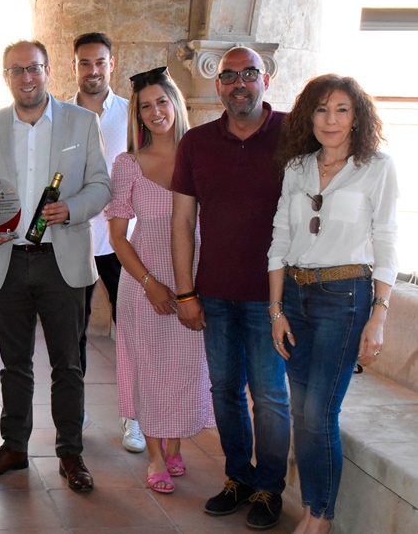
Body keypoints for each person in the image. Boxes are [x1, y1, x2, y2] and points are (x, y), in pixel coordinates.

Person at [0, 40, 112, 493]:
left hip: (61, 262)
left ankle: (70, 452)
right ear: (5, 76)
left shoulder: (82, 121)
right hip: (6, 260)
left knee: (68, 365)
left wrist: (72, 208)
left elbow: (101, 185)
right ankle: (14, 447)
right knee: (14, 364)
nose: (26, 78)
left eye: (33, 68)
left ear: (48, 71)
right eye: (16, 70)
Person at [268, 75, 397, 534]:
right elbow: (280, 238)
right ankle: (311, 508)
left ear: (357, 117)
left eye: (342, 109)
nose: (331, 119)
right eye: (322, 109)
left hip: (345, 298)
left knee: (319, 412)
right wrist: (276, 310)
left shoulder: (376, 167)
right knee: (300, 410)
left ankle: (320, 517)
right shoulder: (297, 167)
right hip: (295, 296)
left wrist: (379, 316)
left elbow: (387, 241)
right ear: (309, 116)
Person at [171, 46, 290, 529]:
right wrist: (185, 292)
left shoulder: (293, 134)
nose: (239, 83)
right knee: (224, 391)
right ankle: (238, 477)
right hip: (215, 294)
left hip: (273, 297)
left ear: (266, 80)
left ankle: (269, 488)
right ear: (217, 85)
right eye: (228, 76)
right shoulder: (196, 142)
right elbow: (183, 221)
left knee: (270, 396)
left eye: (248, 74)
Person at [105, 67, 213, 494]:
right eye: (145, 107)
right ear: (137, 115)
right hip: (144, 280)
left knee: (189, 366)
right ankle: (154, 455)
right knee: (148, 368)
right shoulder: (128, 164)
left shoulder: (201, 156)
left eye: (162, 102)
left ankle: (174, 446)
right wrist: (150, 283)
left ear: (176, 104)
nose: (155, 112)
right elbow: (117, 236)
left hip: (195, 279)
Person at [67, 31, 143, 451]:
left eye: (100, 62)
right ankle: (73, 412)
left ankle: (133, 418)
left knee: (128, 331)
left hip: (121, 241)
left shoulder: (133, 115)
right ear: (74, 66)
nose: (92, 70)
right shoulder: (60, 116)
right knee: (72, 332)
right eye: (85, 62)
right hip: (75, 238)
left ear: (112, 64)